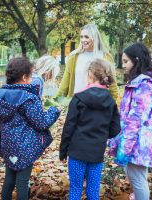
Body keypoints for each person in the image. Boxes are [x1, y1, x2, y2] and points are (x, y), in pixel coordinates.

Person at [0, 57, 60, 200]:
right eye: (31, 76)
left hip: (7, 147)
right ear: (24, 77)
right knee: (22, 183)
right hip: (25, 148)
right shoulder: (28, 98)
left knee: (8, 181)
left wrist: (0, 146)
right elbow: (41, 123)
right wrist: (54, 111)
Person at [108, 43, 152, 200]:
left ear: (136, 61)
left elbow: (135, 120)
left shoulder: (144, 86)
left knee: (137, 178)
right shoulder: (139, 83)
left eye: (125, 61)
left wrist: (125, 148)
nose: (123, 65)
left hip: (140, 143)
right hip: (138, 142)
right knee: (134, 175)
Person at [59, 58, 121, 200]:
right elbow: (115, 129)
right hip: (96, 153)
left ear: (91, 74)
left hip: (77, 152)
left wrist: (63, 151)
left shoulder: (79, 98)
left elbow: (69, 127)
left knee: (75, 189)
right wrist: (102, 133)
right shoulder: (110, 101)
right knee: (93, 192)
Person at [56, 24, 119, 101]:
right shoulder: (74, 57)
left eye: (86, 37)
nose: (83, 40)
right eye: (81, 37)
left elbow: (112, 85)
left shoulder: (106, 57)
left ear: (94, 38)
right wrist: (56, 101)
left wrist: (113, 105)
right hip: (77, 104)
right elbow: (65, 83)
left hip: (98, 105)